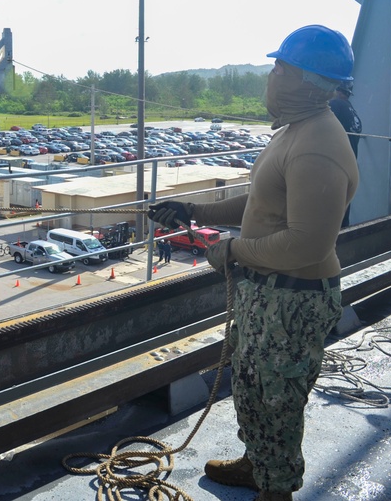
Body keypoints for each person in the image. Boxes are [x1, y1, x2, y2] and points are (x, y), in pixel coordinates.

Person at [148, 25, 358, 501]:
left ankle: (276, 490)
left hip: (293, 297)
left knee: (277, 399)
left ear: (307, 80)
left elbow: (308, 243)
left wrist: (232, 252)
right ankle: (256, 463)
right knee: (251, 386)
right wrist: (196, 212)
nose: (271, 76)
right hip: (269, 293)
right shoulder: (298, 132)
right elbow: (262, 203)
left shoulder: (317, 144)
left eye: (280, 67)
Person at [329, 83, 363, 226]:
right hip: (349, 163)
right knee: (343, 207)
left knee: (330, 210)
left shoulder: (335, 105)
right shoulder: (350, 109)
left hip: (335, 163)